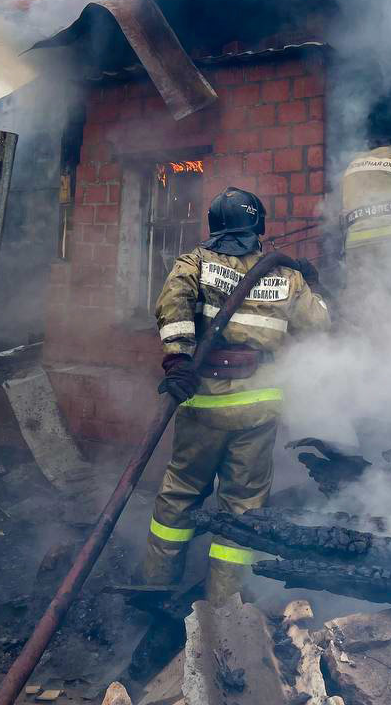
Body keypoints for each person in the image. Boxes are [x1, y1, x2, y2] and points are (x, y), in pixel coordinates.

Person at [140, 186, 331, 601]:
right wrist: (314, 288)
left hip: (204, 402)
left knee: (181, 492)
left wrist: (177, 359)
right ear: (258, 225)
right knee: (244, 506)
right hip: (259, 408)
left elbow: (172, 305)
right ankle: (223, 603)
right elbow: (318, 325)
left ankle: (156, 583)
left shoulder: (196, 262)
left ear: (215, 227)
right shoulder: (285, 275)